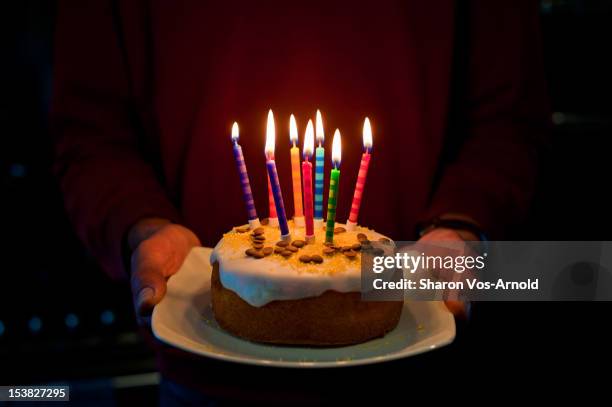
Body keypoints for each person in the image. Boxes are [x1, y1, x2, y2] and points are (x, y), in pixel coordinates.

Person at [50, 0, 549, 404]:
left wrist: (464, 221)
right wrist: (140, 223)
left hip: (416, 372)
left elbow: (510, 114)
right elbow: (89, 133)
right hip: (203, 376)